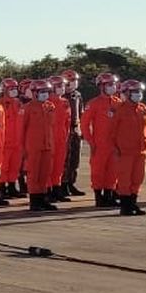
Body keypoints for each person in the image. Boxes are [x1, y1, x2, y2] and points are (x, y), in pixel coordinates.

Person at [20, 79, 61, 212]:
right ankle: (34, 201)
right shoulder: (27, 108)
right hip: (33, 146)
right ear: (34, 93)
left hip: (47, 146)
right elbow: (21, 130)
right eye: (42, 92)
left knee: (45, 174)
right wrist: (23, 149)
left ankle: (43, 199)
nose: (45, 94)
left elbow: (51, 127)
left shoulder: (50, 106)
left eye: (47, 92)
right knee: (34, 174)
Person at [83, 72, 122, 207]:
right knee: (98, 171)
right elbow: (84, 125)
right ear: (101, 86)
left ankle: (109, 196)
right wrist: (91, 142)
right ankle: (99, 197)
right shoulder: (94, 104)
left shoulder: (119, 103)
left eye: (114, 84)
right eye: (109, 84)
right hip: (99, 144)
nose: (113, 87)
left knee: (113, 171)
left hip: (115, 145)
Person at [112, 80, 146, 216]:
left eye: (139, 92)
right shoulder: (119, 110)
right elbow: (112, 131)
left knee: (138, 178)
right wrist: (115, 148)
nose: (138, 94)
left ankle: (133, 203)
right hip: (125, 151)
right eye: (135, 92)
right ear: (127, 93)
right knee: (125, 179)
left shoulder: (143, 109)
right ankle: (125, 206)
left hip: (141, 151)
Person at [60, 69, 86, 197]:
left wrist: (82, 129)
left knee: (75, 159)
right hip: (65, 129)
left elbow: (81, 113)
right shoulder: (60, 96)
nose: (72, 83)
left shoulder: (78, 95)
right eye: (69, 81)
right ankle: (62, 184)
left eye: (74, 80)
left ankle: (71, 183)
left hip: (76, 129)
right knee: (65, 158)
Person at [0, 78, 25, 198]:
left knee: (15, 166)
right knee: (4, 167)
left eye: (15, 88)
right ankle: (2, 188)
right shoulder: (0, 104)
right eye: (11, 89)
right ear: (5, 90)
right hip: (5, 141)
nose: (14, 91)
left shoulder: (19, 103)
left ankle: (12, 187)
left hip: (17, 141)